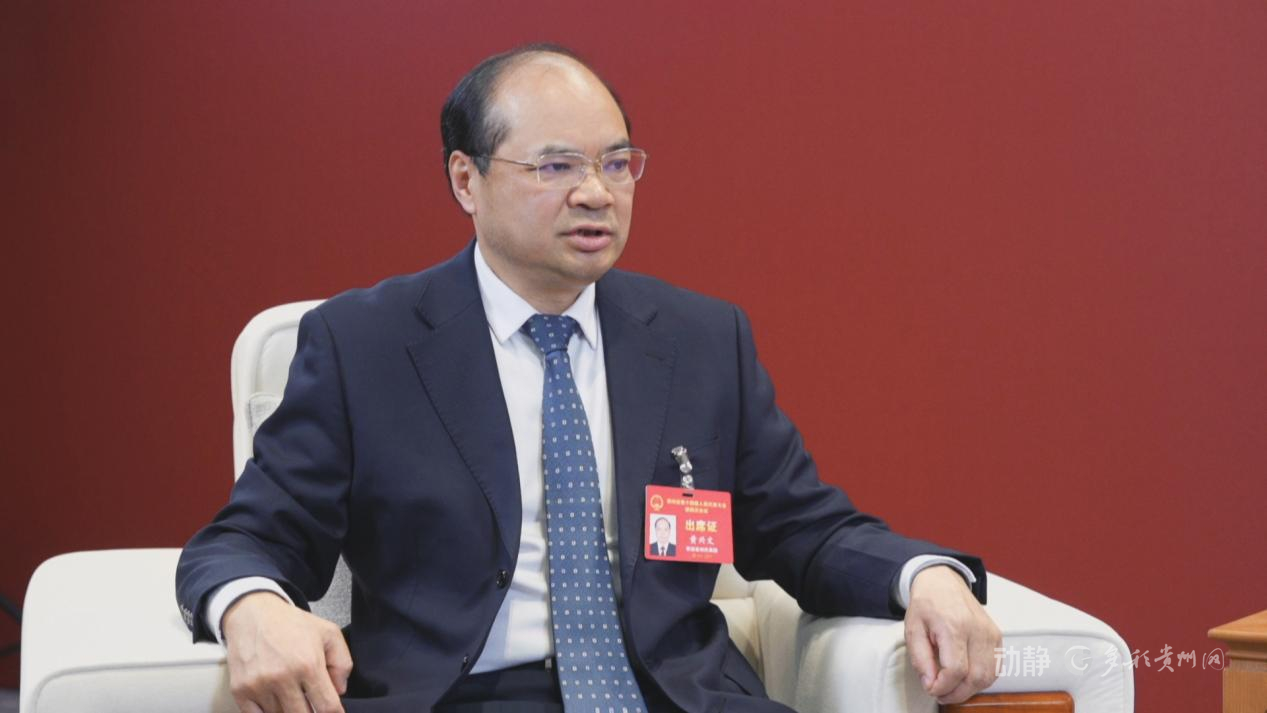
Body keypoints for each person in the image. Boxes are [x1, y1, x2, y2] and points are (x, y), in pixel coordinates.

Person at [176, 44, 1001, 713]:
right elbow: (249, 538)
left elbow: (799, 525)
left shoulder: (699, 339)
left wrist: (922, 575)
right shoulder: (365, 344)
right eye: (556, 166)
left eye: (617, 163)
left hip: (675, 695)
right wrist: (252, 605)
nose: (596, 193)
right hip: (465, 695)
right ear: (465, 179)